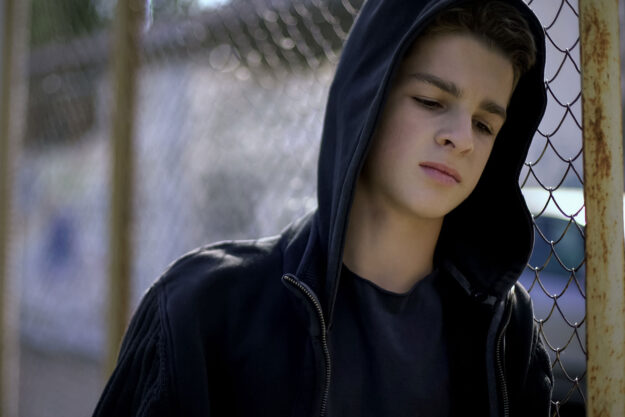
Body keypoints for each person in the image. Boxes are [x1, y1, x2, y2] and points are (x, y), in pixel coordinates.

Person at [93, 0, 552, 416]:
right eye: (431, 101)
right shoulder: (201, 309)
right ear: (365, 99)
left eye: (485, 124)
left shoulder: (505, 330)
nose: (463, 138)